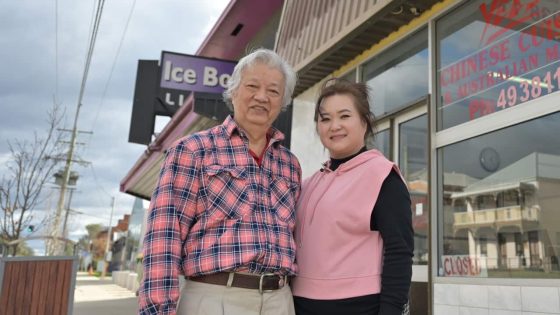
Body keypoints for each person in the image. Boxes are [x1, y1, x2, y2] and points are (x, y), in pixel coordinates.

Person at [138, 48, 302, 315]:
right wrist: (157, 310)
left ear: (283, 101)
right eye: (252, 86)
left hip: (280, 300)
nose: (262, 97)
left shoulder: (290, 164)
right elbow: (164, 236)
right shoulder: (193, 150)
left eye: (273, 91)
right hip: (215, 298)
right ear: (233, 90)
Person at [291, 79, 413, 315]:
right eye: (325, 118)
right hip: (300, 305)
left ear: (364, 123)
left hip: (360, 306)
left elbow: (400, 252)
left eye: (344, 116)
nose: (334, 125)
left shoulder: (383, 177)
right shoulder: (308, 184)